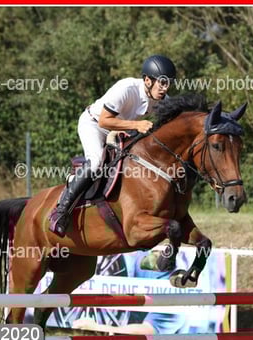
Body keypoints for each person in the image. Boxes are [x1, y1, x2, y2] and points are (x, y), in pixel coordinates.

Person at [48, 55, 177, 237]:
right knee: (96, 163)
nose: (165, 88)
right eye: (162, 83)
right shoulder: (127, 88)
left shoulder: (163, 99)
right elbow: (104, 121)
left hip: (119, 131)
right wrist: (136, 125)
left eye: (169, 83)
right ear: (148, 80)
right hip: (94, 124)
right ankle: (61, 211)